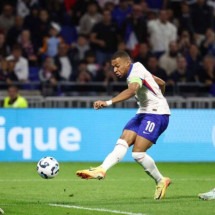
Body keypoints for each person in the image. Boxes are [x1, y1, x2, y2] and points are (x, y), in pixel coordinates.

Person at [76, 51, 171, 200]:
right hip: (143, 113)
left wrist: (107, 102)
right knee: (123, 140)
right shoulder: (140, 70)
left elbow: (132, 90)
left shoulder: (135, 73)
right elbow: (161, 83)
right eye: (113, 67)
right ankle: (102, 169)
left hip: (157, 115)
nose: (115, 70)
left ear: (128, 63)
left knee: (138, 154)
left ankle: (161, 180)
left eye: (117, 66)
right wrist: (159, 96)